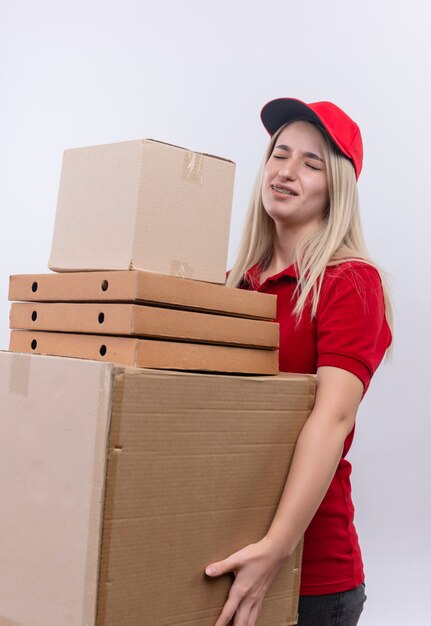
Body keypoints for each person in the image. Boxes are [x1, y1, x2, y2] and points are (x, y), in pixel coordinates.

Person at [204, 97, 393, 626]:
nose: (286, 172)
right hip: (222, 554)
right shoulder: (235, 284)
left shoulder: (349, 282)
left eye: (311, 164)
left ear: (337, 186)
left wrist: (275, 548)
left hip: (309, 576)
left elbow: (332, 420)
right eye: (279, 155)